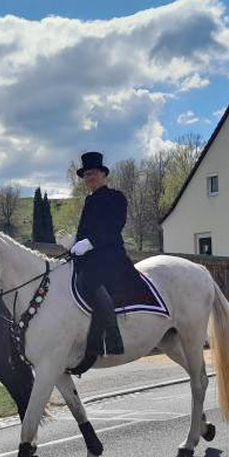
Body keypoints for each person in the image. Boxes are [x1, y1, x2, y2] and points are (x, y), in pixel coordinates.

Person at [70, 151, 134, 357]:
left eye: (94, 173)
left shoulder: (116, 197)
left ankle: (113, 337)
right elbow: (84, 233)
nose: (90, 178)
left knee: (89, 281)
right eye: (86, 175)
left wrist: (90, 242)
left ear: (103, 175)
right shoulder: (89, 201)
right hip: (89, 257)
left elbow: (115, 226)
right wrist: (73, 243)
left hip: (111, 256)